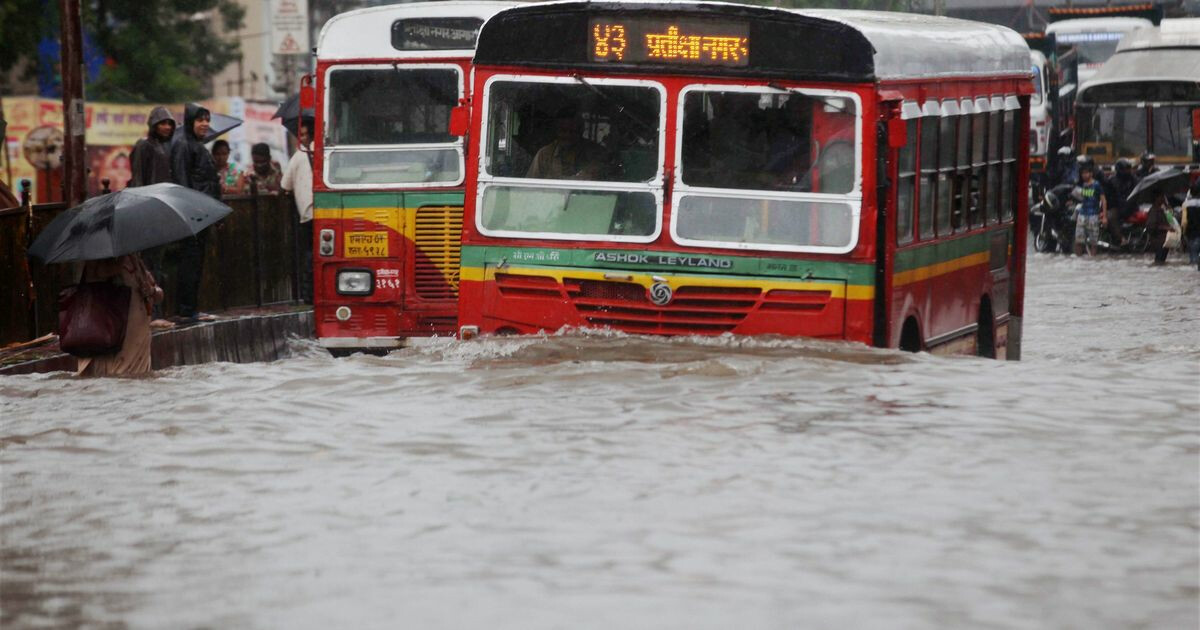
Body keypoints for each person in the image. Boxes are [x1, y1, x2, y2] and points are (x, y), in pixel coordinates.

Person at [170, 103, 220, 322]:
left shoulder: (199, 146)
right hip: (192, 214)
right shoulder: (183, 145)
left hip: (204, 212)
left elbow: (208, 180)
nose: (205, 124)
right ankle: (185, 310)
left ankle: (191, 308)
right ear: (191, 122)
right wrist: (190, 211)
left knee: (197, 262)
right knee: (189, 262)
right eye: (200, 120)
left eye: (207, 120)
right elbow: (182, 180)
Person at [75, 254, 162, 377]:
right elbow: (98, 274)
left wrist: (151, 291)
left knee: (138, 379)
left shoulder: (136, 261)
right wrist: (119, 263)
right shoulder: (96, 263)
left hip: (137, 337)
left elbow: (157, 291)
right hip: (112, 333)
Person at [129, 105, 176, 328]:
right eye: (162, 123)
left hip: (161, 210)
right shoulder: (144, 146)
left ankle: (155, 312)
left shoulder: (165, 148)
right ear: (153, 125)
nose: (166, 127)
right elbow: (139, 179)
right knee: (148, 266)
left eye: (169, 123)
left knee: (157, 264)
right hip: (147, 212)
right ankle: (151, 314)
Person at [281, 122, 314, 303]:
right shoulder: (325, 152)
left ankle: (309, 294)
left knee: (309, 253)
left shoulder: (299, 156)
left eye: (303, 135)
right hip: (330, 211)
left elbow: (285, 185)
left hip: (308, 213)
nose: (301, 138)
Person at [526, 108, 608, 180]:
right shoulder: (544, 154)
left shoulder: (595, 153)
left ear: (581, 131)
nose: (567, 135)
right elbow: (529, 187)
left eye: (572, 131)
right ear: (556, 131)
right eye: (563, 130)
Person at [1073, 164, 1106, 256]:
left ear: (1091, 174)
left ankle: (1092, 260)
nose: (1084, 175)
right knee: (1078, 241)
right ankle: (1078, 261)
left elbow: (1103, 200)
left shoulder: (1097, 185)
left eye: (1086, 173)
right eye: (1082, 173)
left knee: (1093, 242)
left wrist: (1104, 216)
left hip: (1093, 216)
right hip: (1082, 214)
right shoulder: (1082, 185)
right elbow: (1080, 197)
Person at [1103, 158, 1138, 246]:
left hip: (1131, 207)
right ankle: (1121, 238)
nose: (1127, 171)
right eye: (1125, 169)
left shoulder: (1134, 179)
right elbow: (1107, 196)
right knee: (1110, 217)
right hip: (1117, 207)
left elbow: (1138, 191)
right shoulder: (1111, 181)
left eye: (1128, 169)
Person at [1146, 191, 1176, 266]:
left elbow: (1171, 220)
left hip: (1165, 241)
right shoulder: (1153, 210)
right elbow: (1151, 226)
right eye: (1161, 197)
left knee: (1162, 262)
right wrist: (1166, 228)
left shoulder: (1163, 209)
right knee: (1159, 261)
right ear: (1156, 198)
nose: (1163, 198)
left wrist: (1168, 207)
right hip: (1158, 241)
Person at [1182, 180, 1200, 270]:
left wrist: (1183, 233)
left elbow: (1184, 222)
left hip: (1192, 234)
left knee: (1193, 259)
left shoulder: (1186, 205)